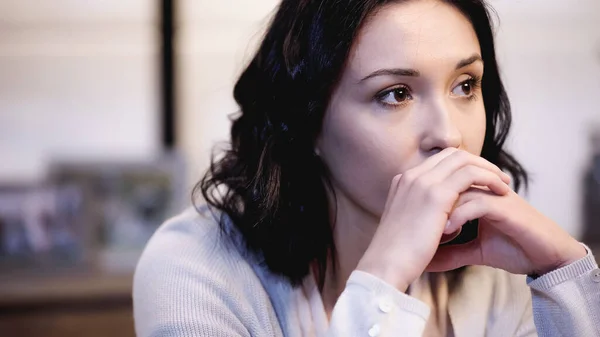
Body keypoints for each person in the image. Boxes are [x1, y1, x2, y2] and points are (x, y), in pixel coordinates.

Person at [133, 0, 600, 336]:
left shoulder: (496, 270)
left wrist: (563, 273)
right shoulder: (196, 267)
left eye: (465, 85)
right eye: (395, 93)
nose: (450, 135)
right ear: (308, 121)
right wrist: (383, 279)